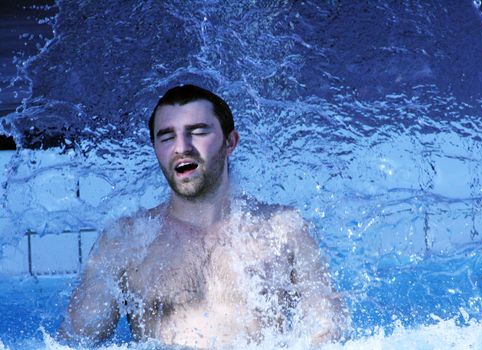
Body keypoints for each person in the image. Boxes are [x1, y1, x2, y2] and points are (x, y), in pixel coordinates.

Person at [58, 84, 346, 348]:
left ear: (230, 142)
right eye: (167, 136)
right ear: (156, 150)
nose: (182, 147)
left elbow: (328, 335)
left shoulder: (284, 230)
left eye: (197, 132)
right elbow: (72, 343)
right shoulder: (126, 242)